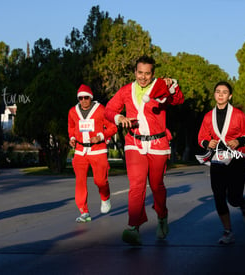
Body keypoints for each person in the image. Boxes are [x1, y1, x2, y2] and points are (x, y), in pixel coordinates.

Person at [105, 55, 184, 246]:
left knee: (156, 186)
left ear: (153, 74)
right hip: (134, 143)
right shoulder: (125, 91)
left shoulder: (160, 87)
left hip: (158, 145)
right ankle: (133, 227)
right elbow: (108, 110)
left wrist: (173, 85)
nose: (143, 77)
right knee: (137, 185)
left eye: (147, 74)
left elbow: (177, 100)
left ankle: (162, 216)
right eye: (140, 73)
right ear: (135, 72)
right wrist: (118, 118)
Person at [197, 81, 245, 245]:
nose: (220, 94)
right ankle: (228, 231)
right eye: (218, 91)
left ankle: (242, 203)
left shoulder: (238, 115)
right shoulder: (208, 116)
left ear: (230, 96)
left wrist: (239, 141)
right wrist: (208, 144)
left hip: (236, 158)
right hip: (217, 160)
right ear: (214, 94)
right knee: (219, 197)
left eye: (224, 92)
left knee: (233, 198)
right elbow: (201, 138)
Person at [68, 84, 118, 223]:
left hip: (98, 150)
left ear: (91, 97)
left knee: (100, 181)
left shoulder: (101, 110)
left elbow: (113, 127)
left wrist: (100, 136)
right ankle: (84, 212)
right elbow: (71, 127)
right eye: (80, 98)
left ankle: (105, 197)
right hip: (80, 151)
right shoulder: (72, 111)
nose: (83, 100)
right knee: (80, 182)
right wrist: (72, 138)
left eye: (86, 97)